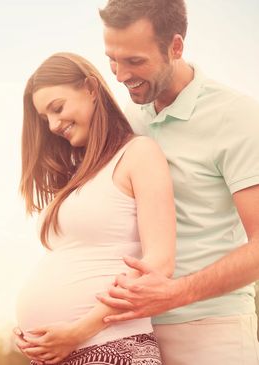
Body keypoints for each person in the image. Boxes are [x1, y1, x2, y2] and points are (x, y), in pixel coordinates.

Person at [95, 1, 259, 364]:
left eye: (135, 61)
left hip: (214, 331)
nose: (120, 75)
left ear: (175, 47)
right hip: (134, 336)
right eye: (113, 59)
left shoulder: (236, 116)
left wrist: (173, 295)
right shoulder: (125, 119)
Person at [15, 52, 176, 364]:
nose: (52, 125)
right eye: (44, 118)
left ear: (90, 88)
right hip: (61, 353)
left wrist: (79, 331)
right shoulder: (78, 177)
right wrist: (32, 332)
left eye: (57, 108)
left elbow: (159, 263)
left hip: (114, 347)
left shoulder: (138, 153)